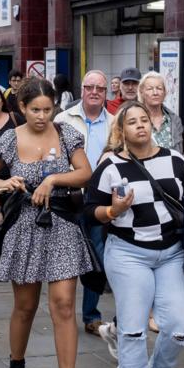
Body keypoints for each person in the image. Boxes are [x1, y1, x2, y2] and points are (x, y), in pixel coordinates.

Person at [0, 77, 94, 368]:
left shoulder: (67, 133)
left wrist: (53, 179)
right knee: (25, 307)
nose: (42, 116)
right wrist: (3, 182)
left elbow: (86, 172)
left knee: (64, 306)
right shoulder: (11, 139)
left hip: (61, 225)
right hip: (24, 227)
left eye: (48, 108)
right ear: (22, 108)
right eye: (35, 109)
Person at [86, 100, 184, 368]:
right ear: (121, 131)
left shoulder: (175, 160)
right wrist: (114, 211)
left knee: (179, 325)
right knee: (134, 328)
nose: (140, 125)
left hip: (171, 254)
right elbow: (90, 211)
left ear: (152, 126)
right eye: (131, 121)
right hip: (128, 253)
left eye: (144, 120)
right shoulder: (110, 166)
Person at [54, 70, 114, 335]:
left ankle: (91, 314)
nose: (94, 92)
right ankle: (62, 307)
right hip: (69, 197)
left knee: (96, 254)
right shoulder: (63, 119)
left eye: (99, 88)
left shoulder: (115, 123)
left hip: (100, 199)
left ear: (105, 93)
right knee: (67, 253)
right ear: (82, 89)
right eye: (89, 87)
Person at [138, 72, 184, 152]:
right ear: (142, 93)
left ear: (164, 93)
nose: (155, 93)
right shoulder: (135, 119)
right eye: (150, 89)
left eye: (159, 88)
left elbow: (179, 151)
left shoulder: (174, 120)